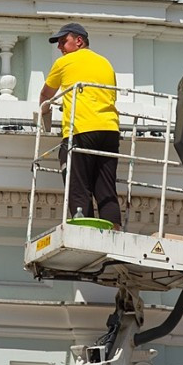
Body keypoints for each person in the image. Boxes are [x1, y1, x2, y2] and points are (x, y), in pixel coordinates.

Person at [39, 23, 122, 227]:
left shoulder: (64, 62)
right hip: (110, 130)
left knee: (78, 184)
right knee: (105, 186)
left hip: (82, 129)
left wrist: (44, 112)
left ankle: (83, 230)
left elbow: (45, 95)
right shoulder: (105, 63)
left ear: (79, 41)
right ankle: (115, 231)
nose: (60, 47)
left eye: (63, 41)